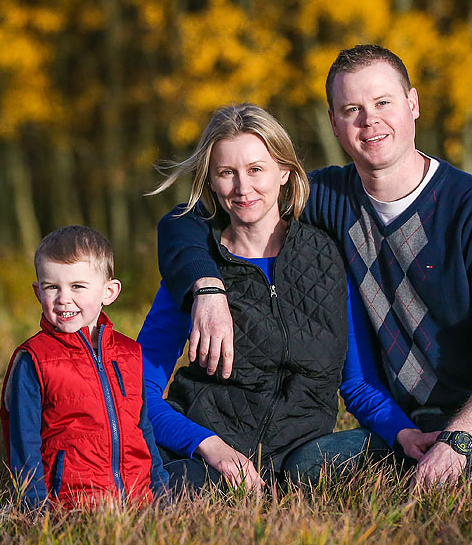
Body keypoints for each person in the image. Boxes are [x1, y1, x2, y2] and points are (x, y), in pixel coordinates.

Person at [157, 46, 472, 487]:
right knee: (303, 469)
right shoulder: (328, 198)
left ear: (413, 104)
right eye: (352, 109)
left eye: (383, 103)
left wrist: (457, 443)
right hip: (405, 425)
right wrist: (207, 287)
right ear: (334, 122)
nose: (370, 120)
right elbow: (198, 217)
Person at [139, 104, 437, 492]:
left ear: (284, 172)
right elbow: (137, 389)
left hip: (305, 455)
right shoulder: (195, 271)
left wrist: (404, 433)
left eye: (256, 169)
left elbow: (358, 383)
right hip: (208, 455)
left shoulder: (328, 258)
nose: (243, 188)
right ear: (210, 182)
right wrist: (208, 447)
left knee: (371, 466)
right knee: (166, 489)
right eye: (227, 173)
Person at [0, 225, 168, 511]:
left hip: (139, 504)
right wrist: (35, 510)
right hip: (71, 508)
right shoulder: (34, 359)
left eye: (77, 286)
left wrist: (162, 495)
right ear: (38, 291)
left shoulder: (129, 354)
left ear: (109, 291)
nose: (64, 298)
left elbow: (144, 430)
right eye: (52, 287)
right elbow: (23, 443)